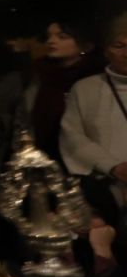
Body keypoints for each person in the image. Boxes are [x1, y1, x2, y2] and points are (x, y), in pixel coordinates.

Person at [61, 14, 127, 210]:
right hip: (105, 190)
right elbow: (72, 136)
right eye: (119, 45)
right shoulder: (84, 89)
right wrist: (111, 166)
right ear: (106, 51)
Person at [20, 18, 104, 162]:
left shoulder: (97, 76)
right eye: (49, 36)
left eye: (62, 37)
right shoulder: (39, 73)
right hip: (44, 156)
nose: (51, 41)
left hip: (87, 157)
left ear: (84, 44)